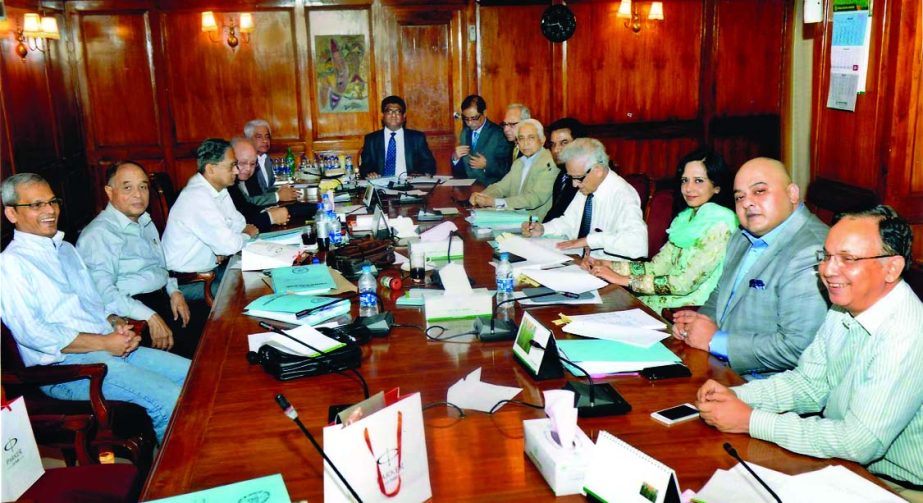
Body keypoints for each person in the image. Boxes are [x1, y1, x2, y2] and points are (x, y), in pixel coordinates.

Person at [695, 206, 923, 501]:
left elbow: (859, 442)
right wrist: (739, 396)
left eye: (848, 259)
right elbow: (810, 384)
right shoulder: (845, 305)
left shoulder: (907, 332)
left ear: (892, 267)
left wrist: (750, 420)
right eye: (826, 256)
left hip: (897, 487)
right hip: (847, 466)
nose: (828, 270)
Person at [0, 173, 190, 443]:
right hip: (68, 370)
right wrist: (104, 342)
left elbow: (93, 305)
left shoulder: (65, 249)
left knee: (194, 377)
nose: (50, 211)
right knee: (169, 399)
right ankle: (176, 481)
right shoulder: (11, 265)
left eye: (52, 202)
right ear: (11, 213)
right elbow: (34, 334)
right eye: (36, 205)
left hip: (106, 349)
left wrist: (115, 323)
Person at [672, 157, 828, 376]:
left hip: (766, 385)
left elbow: (798, 347)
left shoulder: (811, 250)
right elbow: (720, 295)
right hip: (717, 366)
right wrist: (697, 324)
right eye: (739, 196)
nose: (747, 203)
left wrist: (716, 341)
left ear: (792, 194)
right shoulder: (742, 236)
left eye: (760, 191)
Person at [76, 162, 206, 359]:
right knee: (204, 352)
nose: (138, 194)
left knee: (218, 326)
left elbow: (160, 267)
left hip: (162, 299)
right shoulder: (98, 235)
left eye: (143, 187)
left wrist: (174, 292)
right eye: (127, 187)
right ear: (109, 192)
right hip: (132, 315)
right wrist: (149, 316)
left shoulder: (145, 221)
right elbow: (103, 294)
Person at [587, 149, 738, 313]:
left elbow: (684, 283)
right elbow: (656, 267)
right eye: (685, 180)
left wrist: (624, 280)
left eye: (699, 181)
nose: (688, 188)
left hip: (685, 312)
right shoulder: (686, 217)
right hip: (658, 302)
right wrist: (607, 265)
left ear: (716, 187)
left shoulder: (721, 223)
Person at [162, 138, 259, 300]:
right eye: (231, 166)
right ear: (211, 169)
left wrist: (229, 242)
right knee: (246, 292)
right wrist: (244, 236)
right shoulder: (196, 197)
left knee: (257, 277)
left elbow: (239, 224)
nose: (236, 171)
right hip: (187, 281)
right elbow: (230, 244)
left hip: (210, 269)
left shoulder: (218, 189)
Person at [521, 138, 647, 260]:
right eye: (572, 178)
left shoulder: (623, 194)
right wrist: (543, 229)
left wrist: (590, 240)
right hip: (581, 260)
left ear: (597, 170)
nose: (574, 185)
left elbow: (637, 244)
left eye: (578, 178)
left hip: (609, 267)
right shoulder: (587, 186)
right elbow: (569, 222)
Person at [467, 119, 557, 219]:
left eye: (531, 138)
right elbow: (502, 187)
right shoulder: (519, 162)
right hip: (514, 216)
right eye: (521, 138)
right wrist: (481, 196)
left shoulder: (550, 162)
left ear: (542, 140)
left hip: (535, 223)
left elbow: (535, 198)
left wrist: (495, 202)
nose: (525, 143)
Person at [360, 96, 436, 179]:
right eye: (389, 111)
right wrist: (369, 173)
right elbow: (364, 167)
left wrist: (418, 175)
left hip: (409, 185)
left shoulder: (417, 138)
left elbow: (429, 164)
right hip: (380, 185)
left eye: (397, 112)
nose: (393, 115)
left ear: (404, 116)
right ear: (383, 116)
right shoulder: (371, 139)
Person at [228, 137, 291, 232]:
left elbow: (245, 207)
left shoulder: (235, 182)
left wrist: (267, 211)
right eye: (243, 163)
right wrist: (271, 217)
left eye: (253, 164)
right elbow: (234, 224)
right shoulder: (224, 184)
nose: (248, 168)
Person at [450, 95, 512, 185]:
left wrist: (487, 165)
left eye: (474, 118)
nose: (470, 123)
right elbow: (460, 171)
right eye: (466, 119)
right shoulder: (464, 132)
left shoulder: (499, 134)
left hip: (491, 188)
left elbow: (507, 170)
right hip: (467, 188)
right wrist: (455, 158)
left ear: (484, 113)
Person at [242, 119, 298, 205]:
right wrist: (278, 195)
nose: (265, 141)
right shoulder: (245, 165)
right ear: (248, 140)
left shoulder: (266, 159)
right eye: (259, 137)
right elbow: (250, 199)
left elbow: (267, 189)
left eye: (267, 137)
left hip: (269, 205)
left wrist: (280, 190)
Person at [542, 118, 585, 223]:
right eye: (553, 144)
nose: (556, 150)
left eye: (564, 143)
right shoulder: (562, 175)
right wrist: (541, 227)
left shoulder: (587, 177)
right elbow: (555, 213)